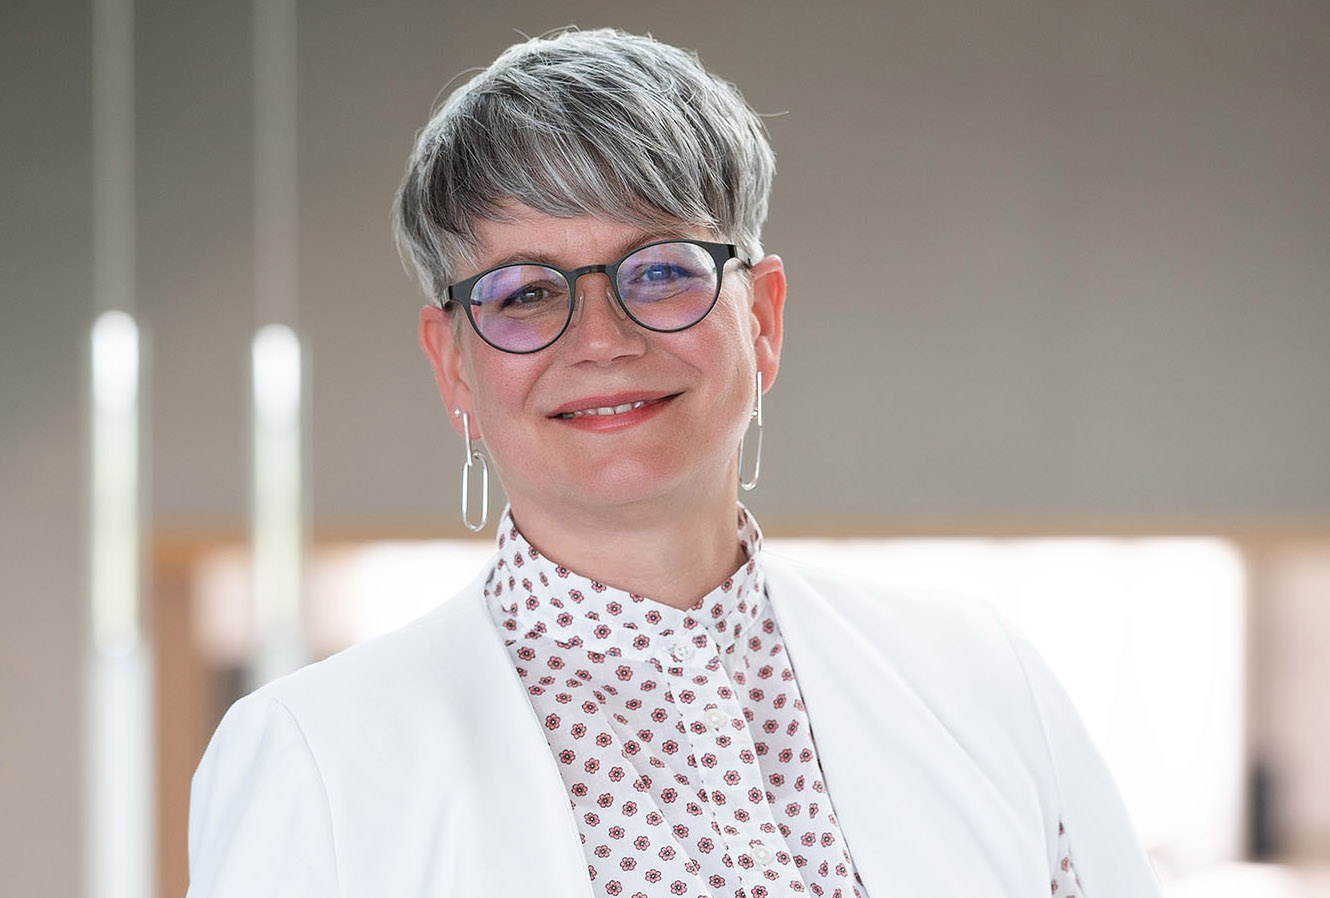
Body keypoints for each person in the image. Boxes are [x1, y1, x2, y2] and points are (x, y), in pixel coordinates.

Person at [186, 28, 1161, 898]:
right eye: (524, 293)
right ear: (454, 365)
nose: (600, 339)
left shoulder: (980, 679)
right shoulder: (316, 758)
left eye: (659, 270)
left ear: (763, 319)